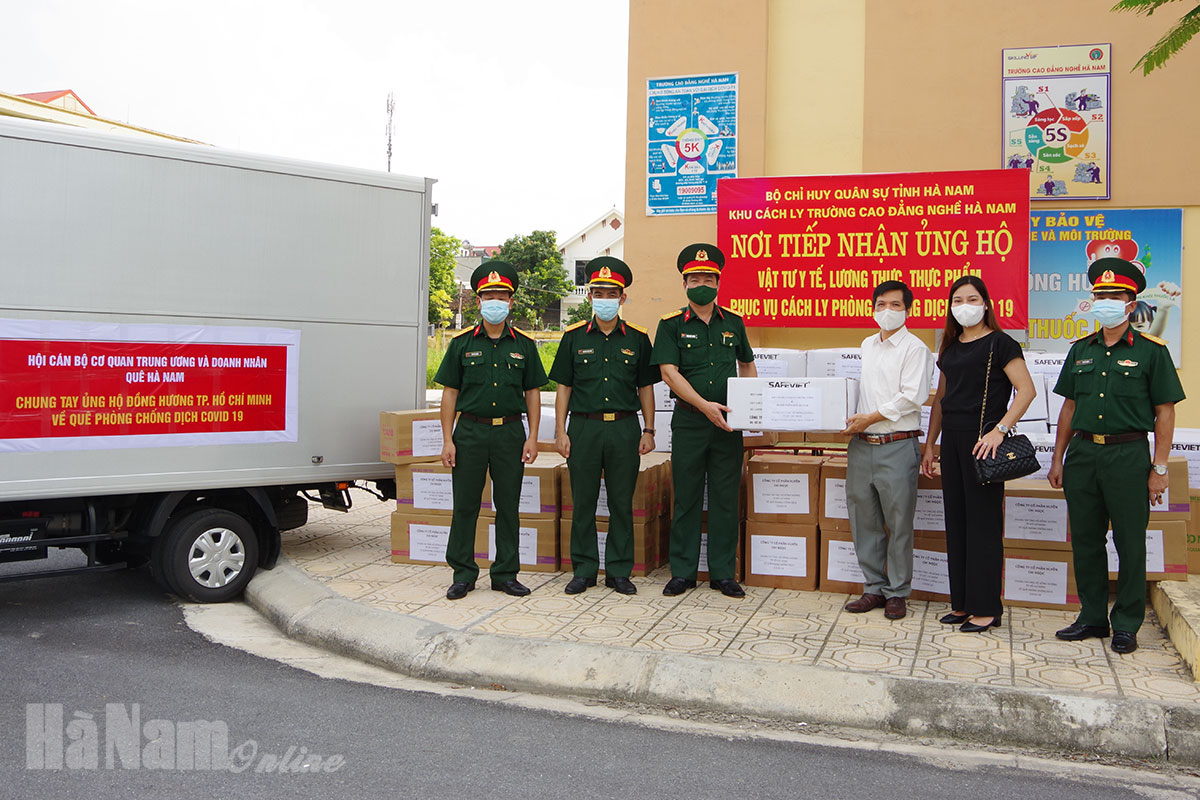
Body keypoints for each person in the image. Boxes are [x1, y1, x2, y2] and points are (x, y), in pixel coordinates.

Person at [1048, 257, 1185, 654]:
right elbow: (1069, 409)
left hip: (1128, 456)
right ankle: (1091, 616)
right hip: (1084, 456)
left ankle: (1126, 622)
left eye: (1115, 295)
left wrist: (1159, 469)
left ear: (1131, 302)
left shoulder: (1152, 351)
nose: (1107, 301)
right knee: (1086, 541)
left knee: (1129, 542)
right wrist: (1057, 459)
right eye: (1100, 295)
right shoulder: (1080, 351)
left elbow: (1165, 412)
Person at [921, 276, 1036, 633]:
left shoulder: (1001, 343)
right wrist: (930, 445)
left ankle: (986, 607)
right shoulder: (950, 347)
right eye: (957, 299)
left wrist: (999, 431)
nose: (964, 305)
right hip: (952, 440)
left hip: (983, 441)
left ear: (986, 304)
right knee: (956, 521)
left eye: (972, 298)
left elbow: (1027, 391)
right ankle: (962, 603)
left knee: (983, 524)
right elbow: (941, 400)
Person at [436, 262, 547, 600]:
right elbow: (450, 394)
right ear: (479, 301)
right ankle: (463, 573)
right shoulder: (461, 344)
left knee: (508, 506)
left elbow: (533, 394)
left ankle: (505, 574)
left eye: (501, 296)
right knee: (465, 506)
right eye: (489, 296)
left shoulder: (525, 345)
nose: (495, 302)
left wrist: (532, 436)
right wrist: (447, 440)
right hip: (469, 433)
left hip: (510, 434)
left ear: (511, 302)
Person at [651, 243, 756, 598]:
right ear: (684, 284)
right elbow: (669, 373)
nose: (701, 283)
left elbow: (746, 364)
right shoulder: (670, 326)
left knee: (726, 498)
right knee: (688, 498)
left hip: (728, 425)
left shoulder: (734, 323)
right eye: (694, 278)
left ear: (718, 282)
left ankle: (723, 573)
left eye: (708, 278)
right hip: (690, 422)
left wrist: (752, 402)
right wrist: (704, 405)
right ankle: (683, 571)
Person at [549, 257, 659, 595]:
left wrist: (649, 430)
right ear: (590, 297)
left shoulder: (639, 338)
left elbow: (646, 388)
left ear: (622, 298)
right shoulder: (573, 337)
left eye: (611, 293)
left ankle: (618, 571)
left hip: (624, 428)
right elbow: (563, 387)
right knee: (582, 501)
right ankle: (583, 569)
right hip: (583, 428)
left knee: (620, 502)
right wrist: (560, 431)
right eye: (598, 293)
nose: (605, 299)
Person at [841, 281, 931, 620]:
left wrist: (870, 418)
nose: (888, 311)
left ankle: (897, 592)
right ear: (873, 308)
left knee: (899, 522)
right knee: (864, 520)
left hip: (897, 444)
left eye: (896, 305)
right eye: (881, 304)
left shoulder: (915, 349)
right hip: (862, 446)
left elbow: (912, 396)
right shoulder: (867, 344)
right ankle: (873, 588)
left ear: (908, 310)